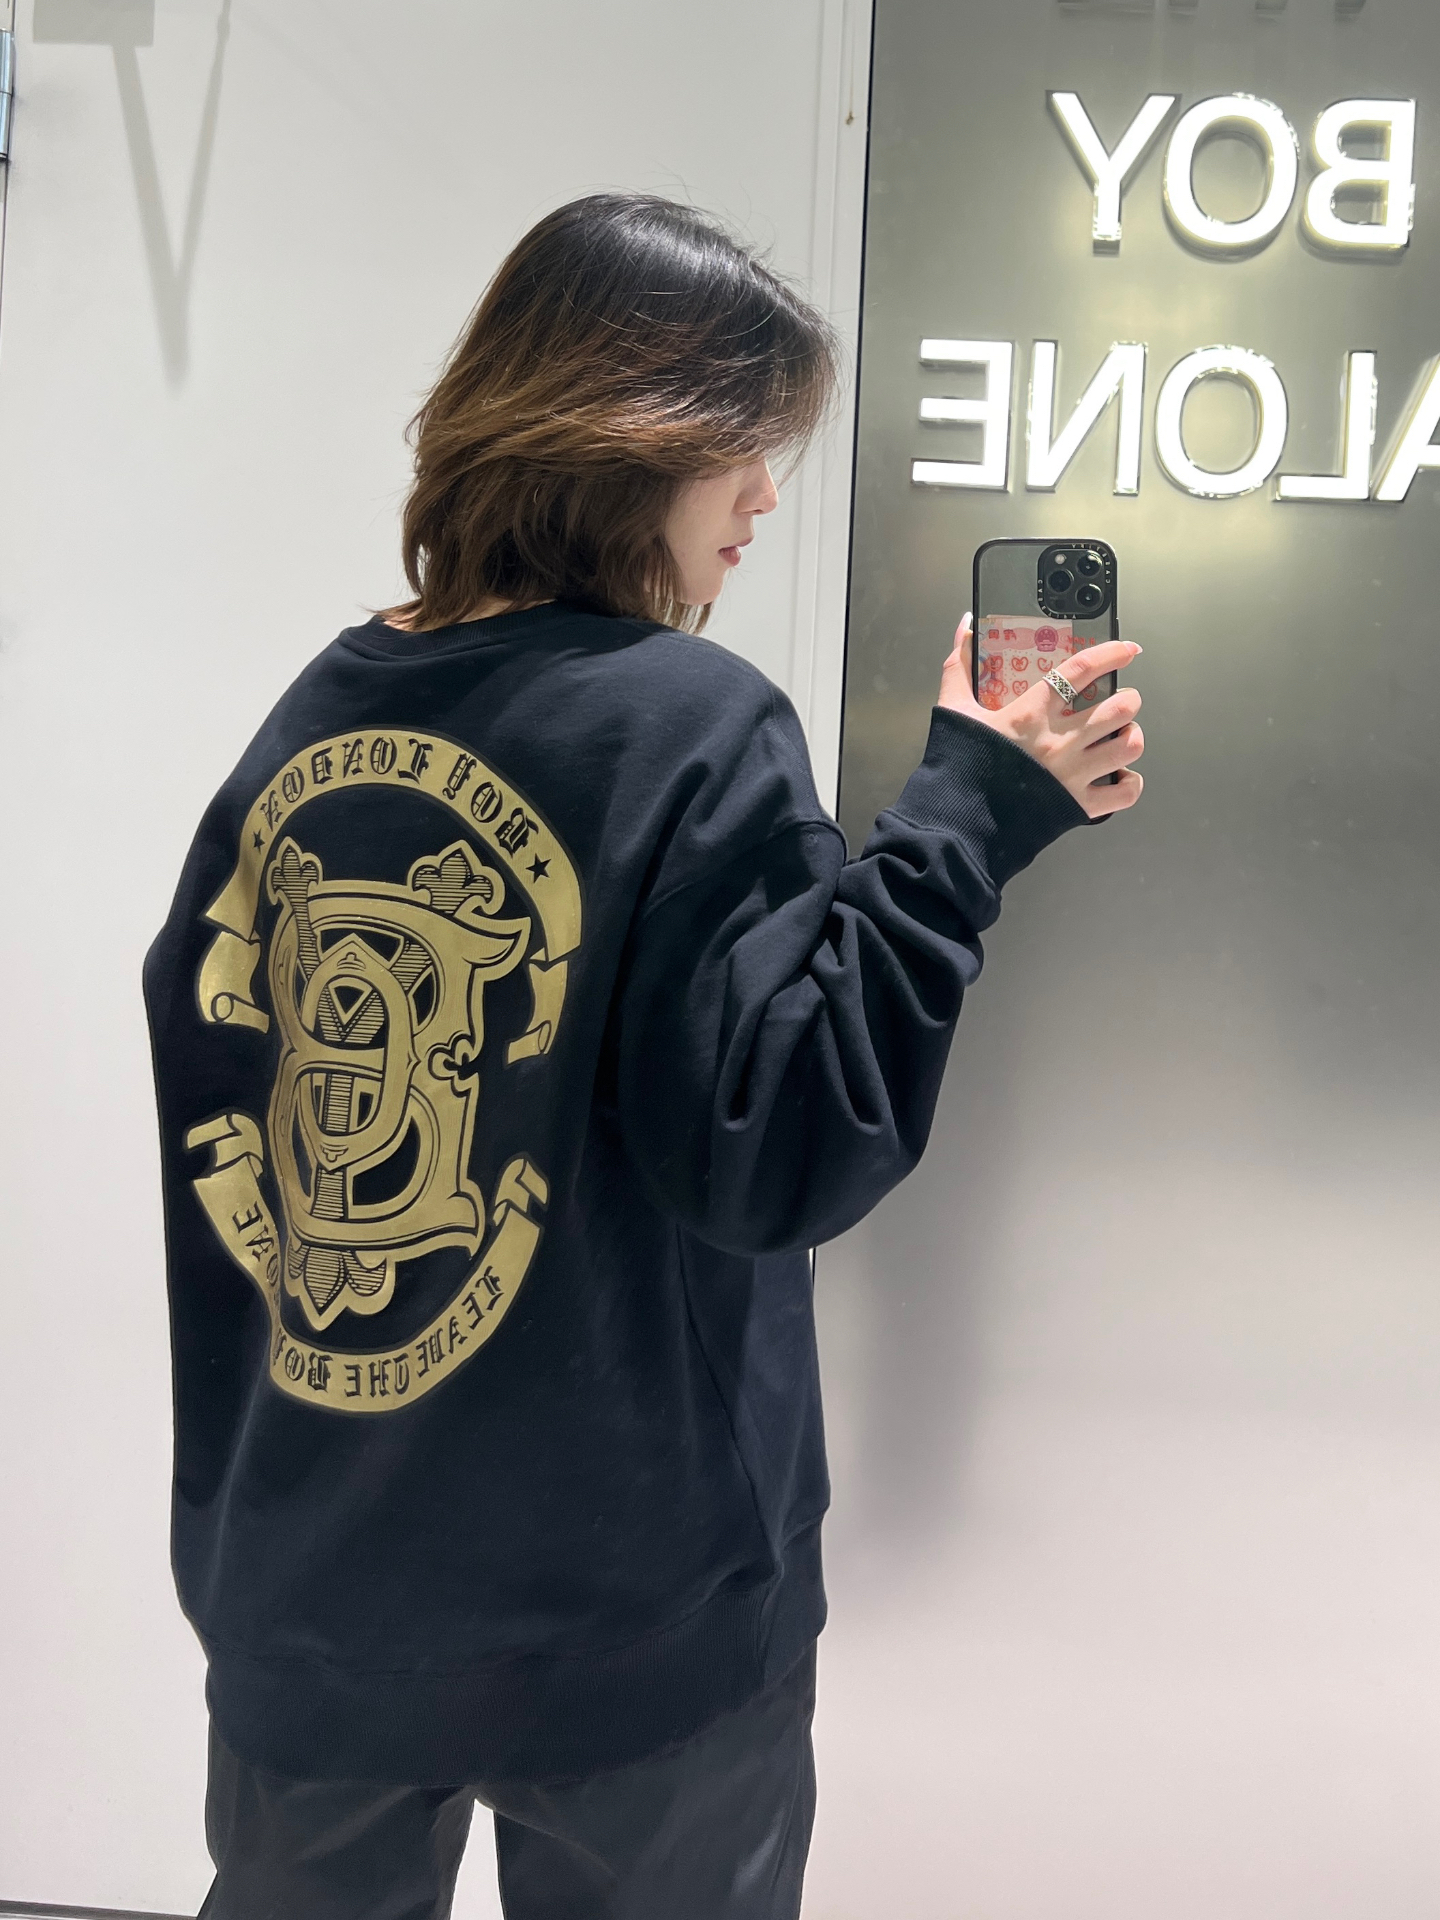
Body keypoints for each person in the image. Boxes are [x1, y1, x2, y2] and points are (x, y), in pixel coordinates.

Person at [143, 192, 1143, 1920]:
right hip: (627, 1615)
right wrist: (967, 818)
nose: (766, 496)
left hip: (310, 1582)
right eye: (744, 447)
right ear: (633, 435)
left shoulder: (316, 714)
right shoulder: (689, 724)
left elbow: (221, 1104)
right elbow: (782, 1150)